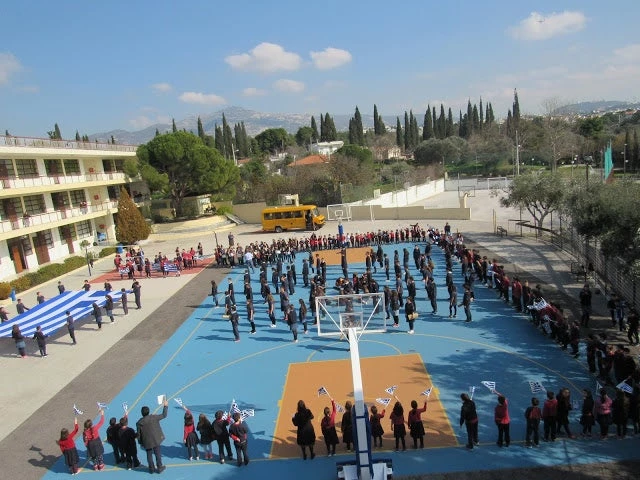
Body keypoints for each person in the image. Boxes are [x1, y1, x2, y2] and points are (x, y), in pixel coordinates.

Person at [136, 398, 168, 474]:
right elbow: (164, 415)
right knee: (157, 453)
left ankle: (151, 468)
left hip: (147, 441)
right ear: (148, 411)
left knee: (149, 455)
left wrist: (140, 442)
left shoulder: (139, 423)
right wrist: (165, 406)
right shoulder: (153, 417)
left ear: (142, 413)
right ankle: (159, 467)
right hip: (156, 439)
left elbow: (139, 434)